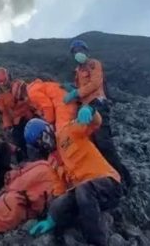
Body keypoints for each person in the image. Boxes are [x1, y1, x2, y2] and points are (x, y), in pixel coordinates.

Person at [24, 116, 123, 246]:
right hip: (87, 197)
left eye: (43, 138)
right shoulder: (52, 162)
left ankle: (97, 242)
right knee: (59, 204)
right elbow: (59, 190)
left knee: (83, 190)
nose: (45, 144)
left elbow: (94, 123)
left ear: (48, 129)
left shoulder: (69, 131)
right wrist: (52, 217)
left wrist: (90, 112)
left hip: (108, 185)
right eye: (39, 144)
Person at [63, 39, 133, 189]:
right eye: (75, 52)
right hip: (86, 108)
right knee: (95, 145)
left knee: (104, 143)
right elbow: (81, 87)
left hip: (98, 104)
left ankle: (123, 181)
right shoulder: (78, 71)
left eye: (80, 50)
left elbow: (95, 83)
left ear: (86, 51)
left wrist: (77, 92)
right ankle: (109, 178)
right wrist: (72, 89)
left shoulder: (93, 64)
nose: (78, 53)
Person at [0, 67, 35, 162]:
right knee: (17, 140)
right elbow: (5, 112)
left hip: (28, 117)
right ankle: (23, 161)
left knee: (35, 136)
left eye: (3, 81)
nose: (2, 84)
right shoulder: (2, 95)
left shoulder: (19, 85)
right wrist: (7, 125)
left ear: (8, 77)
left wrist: (21, 96)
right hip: (17, 121)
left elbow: (29, 99)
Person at [13, 79, 77, 131]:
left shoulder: (31, 93)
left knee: (62, 132)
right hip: (66, 99)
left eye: (21, 98)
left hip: (63, 105)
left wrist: (49, 124)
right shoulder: (36, 85)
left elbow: (47, 106)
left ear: (22, 94)